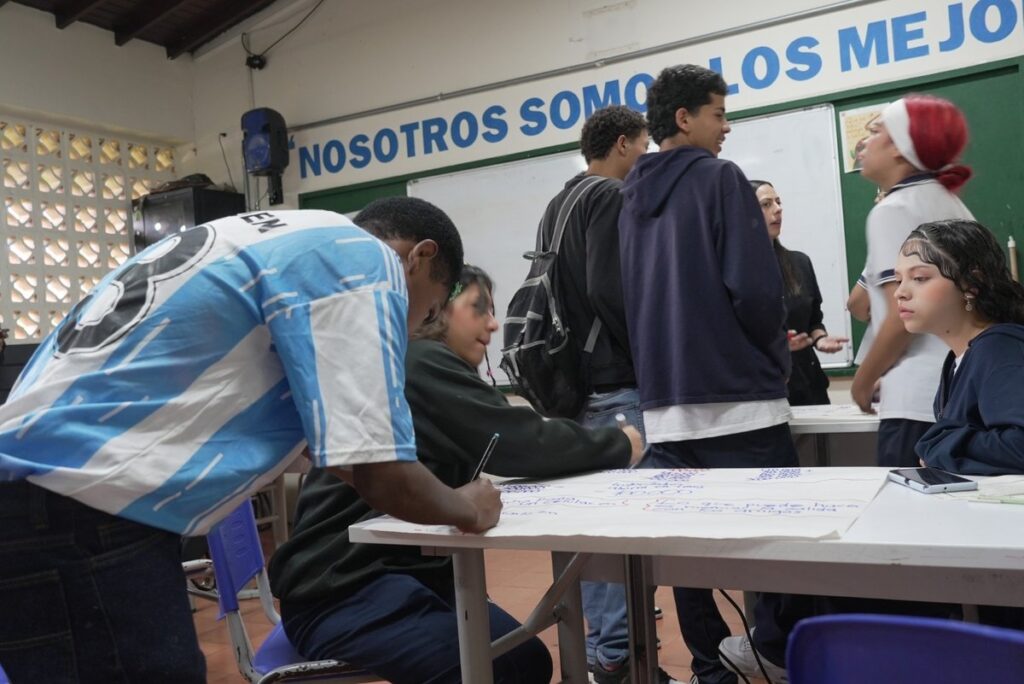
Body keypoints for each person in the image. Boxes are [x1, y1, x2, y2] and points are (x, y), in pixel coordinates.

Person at [0, 199, 503, 683]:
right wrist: (467, 507)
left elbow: (348, 459)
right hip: (77, 507)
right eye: (430, 310)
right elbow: (380, 473)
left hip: (36, 493)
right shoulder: (365, 260)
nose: (418, 326)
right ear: (419, 257)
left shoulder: (285, 237)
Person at [269, 265, 645, 684]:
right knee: (507, 667)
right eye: (478, 308)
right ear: (437, 308)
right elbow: (520, 441)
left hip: (397, 578)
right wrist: (620, 442)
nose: (493, 323)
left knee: (524, 661)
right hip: (341, 591)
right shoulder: (421, 360)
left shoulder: (423, 364)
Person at [618, 63, 798, 684]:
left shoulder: (629, 198)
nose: (726, 127)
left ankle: (710, 667)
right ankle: (777, 656)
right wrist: (774, 355)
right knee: (778, 546)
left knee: (686, 551)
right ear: (684, 118)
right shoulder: (722, 179)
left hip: (667, 404)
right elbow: (753, 287)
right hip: (740, 398)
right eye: (719, 114)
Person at [533, 104, 657, 682]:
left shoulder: (560, 201)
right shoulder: (608, 197)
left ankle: (601, 650)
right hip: (614, 382)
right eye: (646, 145)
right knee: (620, 530)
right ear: (626, 145)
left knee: (594, 526)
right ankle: (617, 657)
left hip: (576, 388)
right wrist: (650, 350)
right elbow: (613, 290)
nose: (648, 156)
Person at [900, 219, 1024, 631]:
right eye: (899, 279)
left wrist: (937, 445)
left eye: (920, 278)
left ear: (971, 284)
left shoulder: (999, 348)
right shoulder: (959, 357)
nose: (901, 292)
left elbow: (1019, 445)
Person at [847, 94, 974, 466]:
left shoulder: (893, 210)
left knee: (903, 517)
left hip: (915, 401)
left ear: (900, 148)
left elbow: (904, 319)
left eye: (877, 131)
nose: (866, 142)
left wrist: (862, 380)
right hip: (960, 390)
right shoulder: (951, 204)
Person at [751, 180, 848, 405]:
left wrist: (820, 339)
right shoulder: (738, 270)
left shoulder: (799, 262)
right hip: (766, 389)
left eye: (778, 202)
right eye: (766, 204)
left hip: (809, 383)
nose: (778, 209)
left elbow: (814, 320)